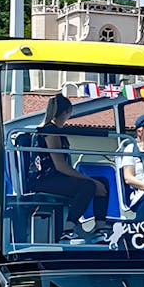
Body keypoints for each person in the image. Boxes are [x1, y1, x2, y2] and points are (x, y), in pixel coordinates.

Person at [29, 94, 110, 240]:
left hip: (55, 178)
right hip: (44, 180)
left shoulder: (55, 131)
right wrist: (90, 181)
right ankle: (68, 229)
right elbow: (60, 166)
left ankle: (100, 226)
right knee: (87, 185)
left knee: (102, 181)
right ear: (67, 112)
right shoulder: (50, 131)